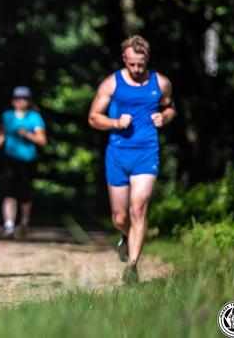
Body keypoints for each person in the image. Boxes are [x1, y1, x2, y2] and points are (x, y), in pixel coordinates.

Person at [88, 35, 175, 284]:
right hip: (117, 153)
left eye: (141, 64)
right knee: (119, 217)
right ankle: (127, 236)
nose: (137, 69)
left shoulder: (161, 82)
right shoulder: (111, 84)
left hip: (147, 152)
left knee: (138, 208)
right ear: (124, 59)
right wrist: (115, 122)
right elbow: (93, 117)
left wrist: (164, 117)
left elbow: (169, 107)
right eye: (132, 64)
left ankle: (133, 267)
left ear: (147, 59)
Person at [0, 86, 47, 239]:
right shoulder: (7, 116)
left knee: (25, 194)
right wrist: (0, 140)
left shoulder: (34, 117)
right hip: (10, 159)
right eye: (18, 98)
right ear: (13, 101)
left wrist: (27, 135)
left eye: (24, 98)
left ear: (28, 101)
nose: (21, 101)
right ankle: (9, 225)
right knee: (9, 192)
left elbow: (42, 140)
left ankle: (24, 223)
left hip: (27, 160)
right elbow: (1, 134)